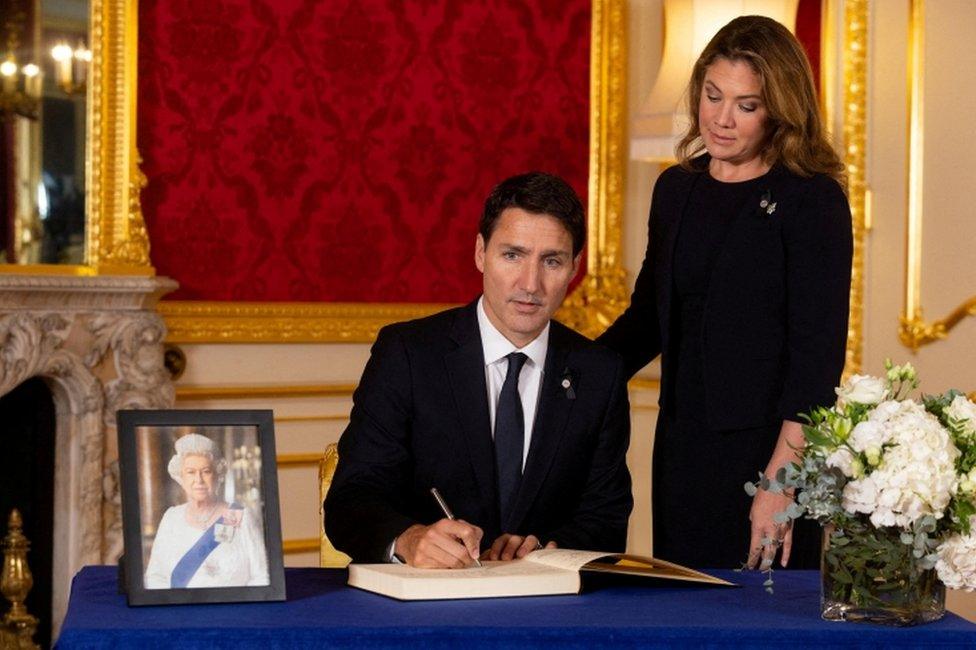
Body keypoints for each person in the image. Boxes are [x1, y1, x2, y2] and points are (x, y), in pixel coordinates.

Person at [597, 16, 852, 570]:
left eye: (746, 105)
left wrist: (780, 483)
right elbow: (649, 318)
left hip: (772, 453)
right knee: (686, 609)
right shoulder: (676, 188)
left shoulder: (813, 202)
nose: (721, 118)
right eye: (713, 96)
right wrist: (564, 373)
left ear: (779, 111)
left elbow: (816, 360)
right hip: (682, 447)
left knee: (765, 618)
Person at [325, 172, 633, 568]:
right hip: (426, 606)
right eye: (512, 255)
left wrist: (549, 551)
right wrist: (408, 539)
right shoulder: (408, 354)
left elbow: (606, 519)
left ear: (574, 268)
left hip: (546, 610)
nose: (530, 283)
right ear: (479, 252)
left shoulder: (600, 373)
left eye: (551, 261)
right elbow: (351, 501)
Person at [144, 433, 269, 588]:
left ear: (218, 475)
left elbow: (262, 576)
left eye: (206, 471)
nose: (199, 480)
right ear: (181, 478)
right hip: (182, 610)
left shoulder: (241, 516)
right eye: (190, 472)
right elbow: (155, 577)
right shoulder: (171, 518)